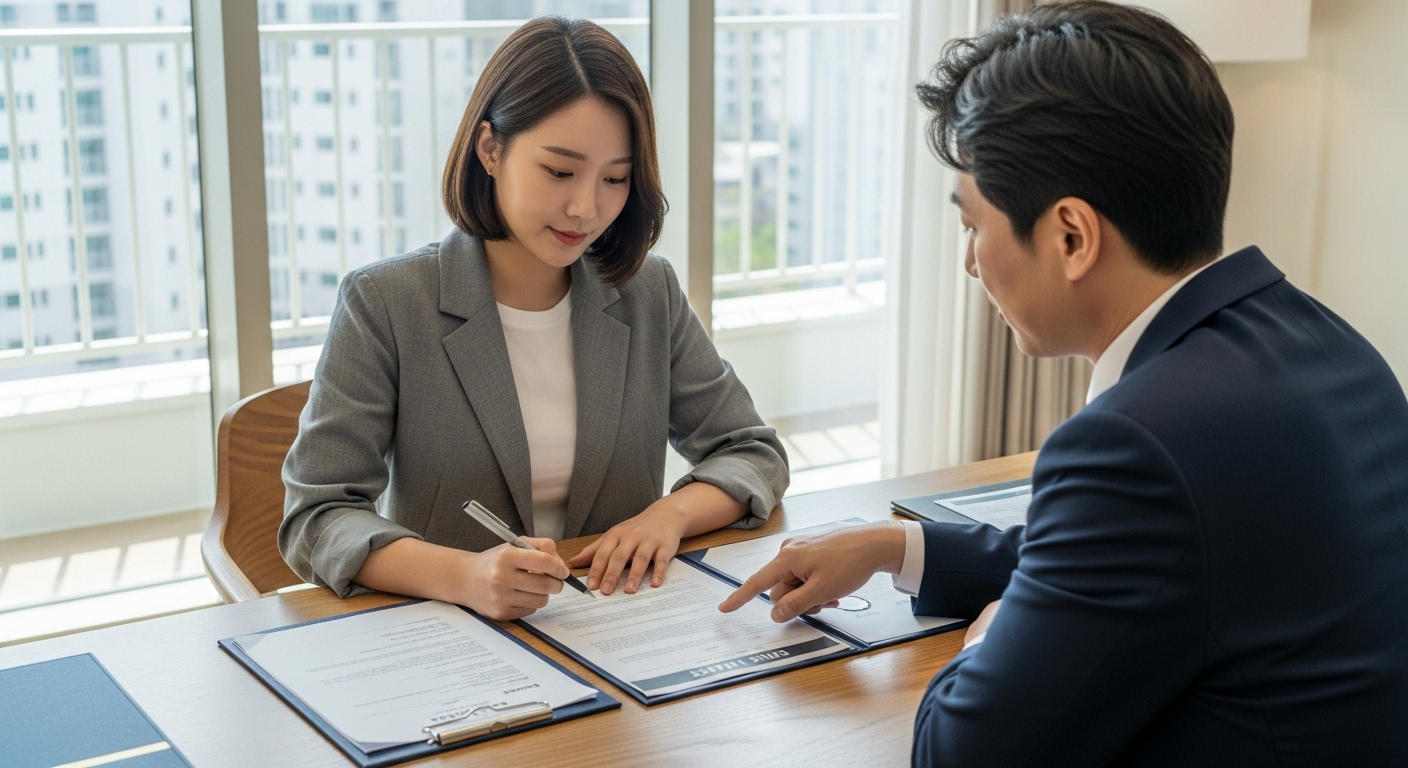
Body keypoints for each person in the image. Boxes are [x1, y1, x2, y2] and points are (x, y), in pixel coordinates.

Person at [720, 2, 1408, 764]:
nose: (971, 262)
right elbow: (1137, 561)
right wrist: (895, 545)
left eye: (973, 224)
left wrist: (990, 634)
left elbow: (961, 752)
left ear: (1072, 237)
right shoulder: (1328, 344)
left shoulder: (1135, 441)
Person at [280, 17, 787, 621]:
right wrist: (463, 575)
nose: (586, 207)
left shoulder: (647, 290)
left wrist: (667, 515)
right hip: (454, 637)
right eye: (559, 171)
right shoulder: (386, 302)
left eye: (615, 178)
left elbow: (751, 451)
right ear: (490, 149)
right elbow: (318, 514)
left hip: (618, 625)